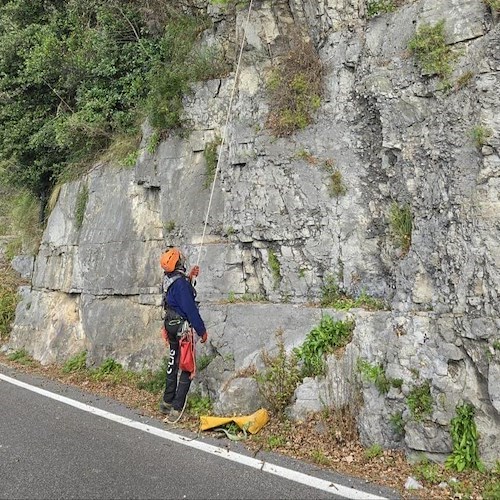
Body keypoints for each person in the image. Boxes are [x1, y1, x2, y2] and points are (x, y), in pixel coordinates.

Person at [159, 247, 208, 423]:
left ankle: (167, 401)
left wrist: (190, 278)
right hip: (181, 327)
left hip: (170, 324)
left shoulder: (168, 279)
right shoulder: (181, 284)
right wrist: (201, 330)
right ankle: (177, 408)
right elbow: (189, 308)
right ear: (178, 262)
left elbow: (176, 294)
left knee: (173, 361)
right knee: (187, 366)